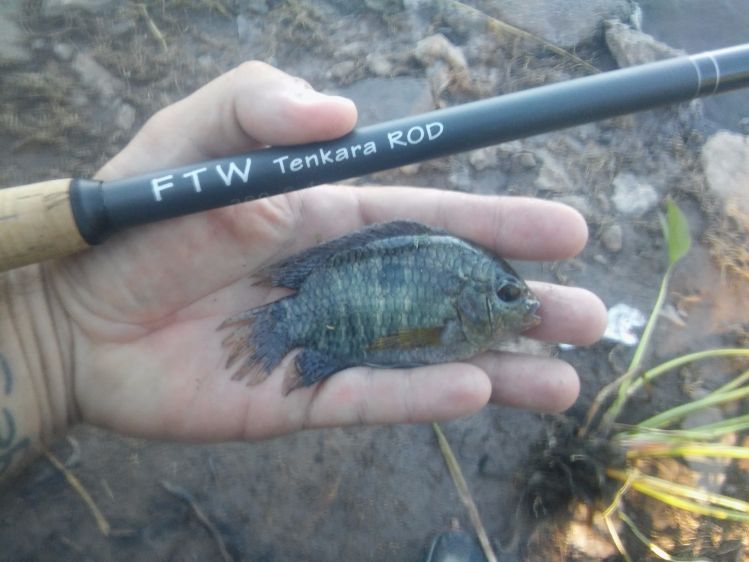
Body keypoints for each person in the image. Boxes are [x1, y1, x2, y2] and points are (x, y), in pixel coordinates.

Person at [0, 61, 607, 484]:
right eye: (506, 294)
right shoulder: (458, 301)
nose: (522, 308)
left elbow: (403, 341)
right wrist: (54, 332)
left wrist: (50, 332)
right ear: (473, 294)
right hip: (310, 303)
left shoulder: (465, 298)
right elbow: (405, 342)